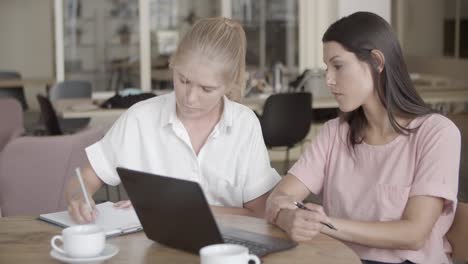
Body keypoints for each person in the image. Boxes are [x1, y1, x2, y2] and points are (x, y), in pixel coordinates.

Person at [265, 12, 460, 264]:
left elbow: (413, 234)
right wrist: (287, 217)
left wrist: (322, 224)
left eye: (338, 66)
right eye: (326, 68)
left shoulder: (437, 133)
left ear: (377, 62)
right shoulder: (335, 132)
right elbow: (277, 198)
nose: (328, 80)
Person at [65, 17, 280, 224]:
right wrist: (79, 197)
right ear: (173, 65)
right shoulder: (139, 118)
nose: (190, 98)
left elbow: (260, 213)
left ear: (229, 84)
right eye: (183, 80)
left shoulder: (245, 124)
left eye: (207, 89)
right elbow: (83, 180)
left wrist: (174, 209)